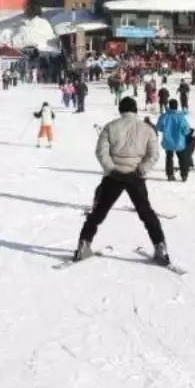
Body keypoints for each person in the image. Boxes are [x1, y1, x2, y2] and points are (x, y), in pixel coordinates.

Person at [75, 97, 169, 265]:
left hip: (114, 175)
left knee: (99, 211)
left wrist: (111, 170)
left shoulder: (110, 127)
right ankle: (160, 246)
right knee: (146, 212)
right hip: (135, 175)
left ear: (121, 110)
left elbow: (100, 152)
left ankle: (84, 244)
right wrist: (140, 170)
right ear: (135, 110)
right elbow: (153, 154)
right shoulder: (147, 129)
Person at [155, 98, 192, 182]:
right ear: (177, 106)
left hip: (168, 142)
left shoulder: (164, 116)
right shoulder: (181, 117)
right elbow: (186, 130)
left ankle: (170, 174)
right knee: (182, 158)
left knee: (169, 158)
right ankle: (184, 175)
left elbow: (159, 127)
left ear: (169, 106)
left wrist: (166, 130)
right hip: (180, 142)